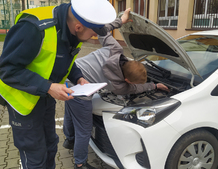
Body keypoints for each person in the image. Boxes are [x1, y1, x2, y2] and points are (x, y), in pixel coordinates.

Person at [0, 0, 117, 168]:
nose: (94, 37)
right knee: (35, 155)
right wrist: (48, 87)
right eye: (93, 33)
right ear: (78, 27)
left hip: (44, 95)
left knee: (51, 145)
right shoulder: (34, 29)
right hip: (21, 98)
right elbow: (6, 69)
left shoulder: (71, 26)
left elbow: (63, 57)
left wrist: (78, 77)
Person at [62, 8, 169, 169]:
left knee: (70, 111)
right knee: (84, 130)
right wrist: (154, 86)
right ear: (127, 79)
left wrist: (121, 21)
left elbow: (102, 31)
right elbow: (134, 90)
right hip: (81, 90)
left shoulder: (116, 49)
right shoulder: (119, 85)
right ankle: (80, 163)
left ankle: (69, 139)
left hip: (69, 74)